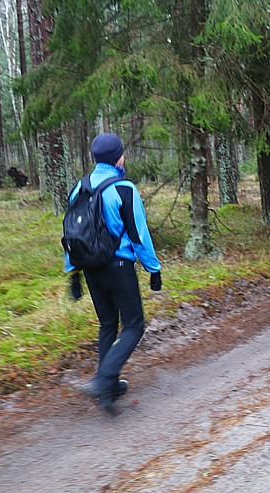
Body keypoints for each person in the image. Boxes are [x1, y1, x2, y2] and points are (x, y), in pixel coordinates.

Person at [65, 132, 162, 414]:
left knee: (108, 324)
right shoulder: (124, 188)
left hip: (91, 269)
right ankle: (104, 378)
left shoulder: (78, 188)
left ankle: (106, 392)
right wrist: (153, 269)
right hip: (118, 267)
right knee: (134, 325)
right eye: (122, 154)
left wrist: (73, 272)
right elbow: (138, 235)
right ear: (117, 158)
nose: (124, 158)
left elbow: (71, 232)